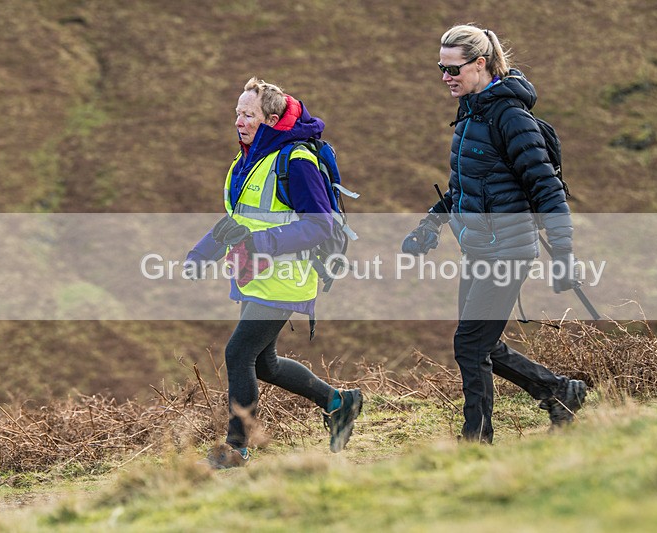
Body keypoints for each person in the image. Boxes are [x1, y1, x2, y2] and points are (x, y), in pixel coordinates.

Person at [402, 25, 586, 443]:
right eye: (441, 68)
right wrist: (430, 225)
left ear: (480, 63)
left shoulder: (511, 117)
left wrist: (564, 255)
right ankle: (558, 390)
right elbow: (464, 187)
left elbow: (546, 188)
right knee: (481, 341)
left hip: (509, 250)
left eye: (453, 69)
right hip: (480, 248)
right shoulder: (471, 113)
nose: (446, 77)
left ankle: (477, 441)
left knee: (470, 344)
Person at [187, 77, 362, 467]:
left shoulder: (295, 161)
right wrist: (202, 253)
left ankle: (236, 448)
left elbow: (322, 225)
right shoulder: (247, 159)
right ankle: (339, 402)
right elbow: (238, 220)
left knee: (238, 352)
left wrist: (259, 244)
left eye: (247, 115)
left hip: (287, 276)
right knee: (263, 363)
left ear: (270, 119)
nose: (238, 121)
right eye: (236, 113)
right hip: (254, 275)